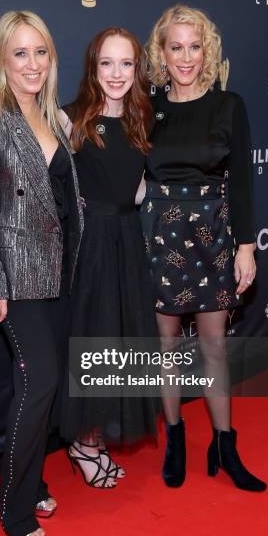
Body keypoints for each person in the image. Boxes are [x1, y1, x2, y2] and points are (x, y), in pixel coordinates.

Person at [0, 10, 83, 536]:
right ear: (3, 59)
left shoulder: (54, 116)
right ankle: (14, 507)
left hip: (60, 271)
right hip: (14, 274)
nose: (32, 63)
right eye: (20, 53)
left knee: (42, 386)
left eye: (41, 52)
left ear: (52, 58)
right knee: (40, 383)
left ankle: (34, 480)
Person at [142, 5, 267, 491]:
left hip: (213, 236)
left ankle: (224, 444)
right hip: (159, 236)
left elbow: (242, 186)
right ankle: (174, 438)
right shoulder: (146, 107)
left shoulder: (228, 106)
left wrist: (246, 246)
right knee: (166, 345)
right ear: (162, 52)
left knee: (214, 346)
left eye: (195, 46)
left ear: (207, 50)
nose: (186, 57)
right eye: (176, 47)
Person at [60, 27, 158, 488]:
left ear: (137, 69)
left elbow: (137, 189)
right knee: (95, 340)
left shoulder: (141, 119)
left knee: (120, 342)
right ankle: (84, 443)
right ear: (92, 68)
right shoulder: (70, 120)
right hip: (91, 247)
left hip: (126, 242)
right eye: (106, 63)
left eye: (126, 64)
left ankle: (92, 440)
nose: (116, 73)